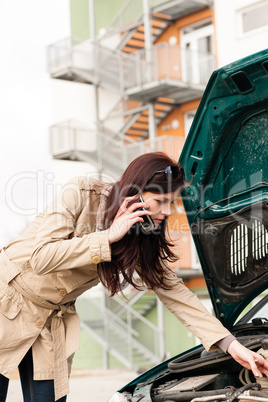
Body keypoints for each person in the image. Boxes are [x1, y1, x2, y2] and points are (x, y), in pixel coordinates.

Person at [0, 152, 267, 402]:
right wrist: (108, 236)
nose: (167, 211)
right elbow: (41, 257)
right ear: (134, 193)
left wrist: (234, 347)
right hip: (7, 302)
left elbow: (175, 293)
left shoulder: (143, 232)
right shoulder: (79, 193)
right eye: (161, 201)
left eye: (171, 202)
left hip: (51, 320)